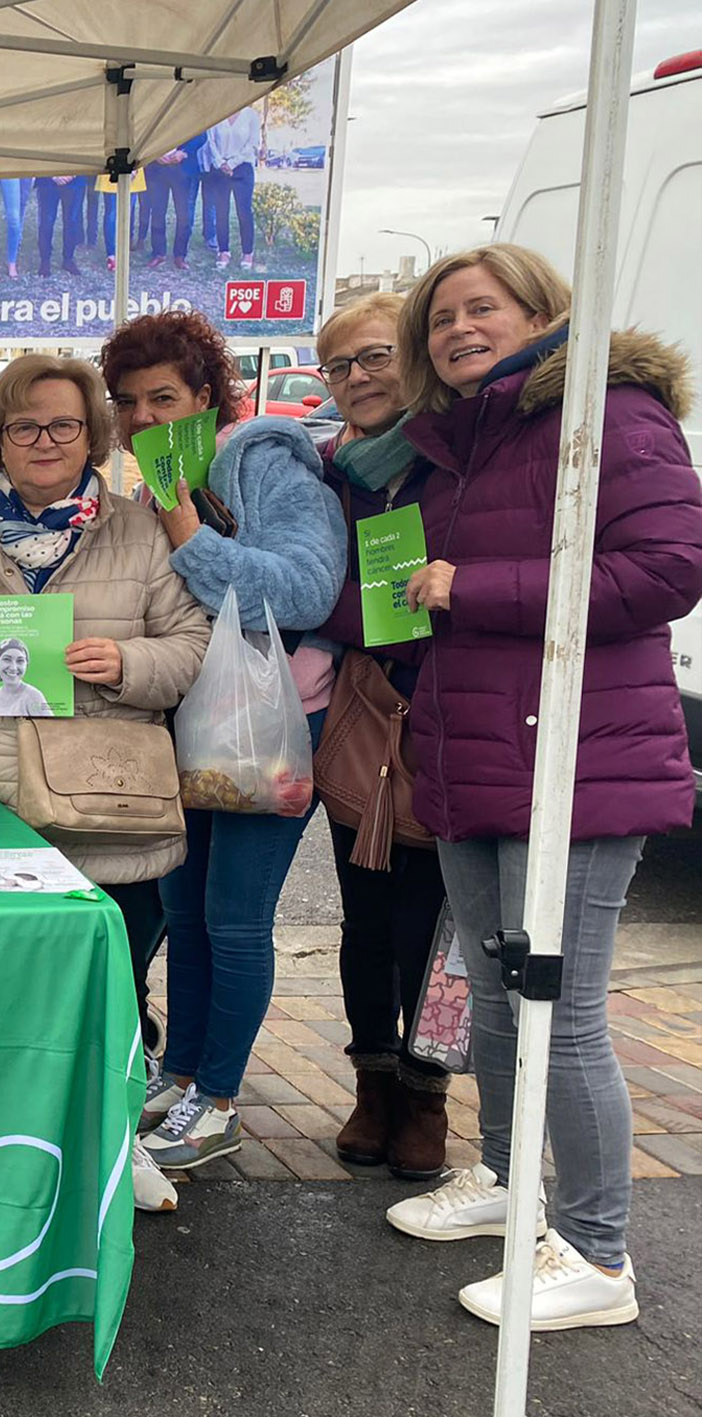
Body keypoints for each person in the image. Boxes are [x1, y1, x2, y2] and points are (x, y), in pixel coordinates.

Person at [381, 245, 702, 1330]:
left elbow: (665, 572)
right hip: (474, 754)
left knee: (559, 1013)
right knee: (488, 990)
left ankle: (600, 1254)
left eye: (482, 308)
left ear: (540, 311)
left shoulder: (607, 413)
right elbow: (409, 596)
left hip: (579, 757)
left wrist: (475, 587)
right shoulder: (450, 444)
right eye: (438, 319)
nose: (457, 329)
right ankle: (508, 1183)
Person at [0, 352, 210, 1214]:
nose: (44, 440)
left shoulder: (139, 533)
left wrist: (128, 660)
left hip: (106, 798)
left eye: (64, 424)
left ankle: (117, 1137)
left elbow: (192, 646)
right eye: (24, 425)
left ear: (92, 437)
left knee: (114, 980)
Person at [102, 310, 347, 1177]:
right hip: (182, 725)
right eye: (129, 401)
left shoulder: (268, 465)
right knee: (187, 911)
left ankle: (222, 1098)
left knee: (237, 918)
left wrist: (184, 533)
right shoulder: (144, 482)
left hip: (269, 728)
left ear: (208, 398)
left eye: (164, 397)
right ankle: (183, 1074)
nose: (145, 418)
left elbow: (309, 589)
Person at [300, 294, 454, 1179]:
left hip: (443, 722)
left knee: (434, 927)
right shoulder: (332, 471)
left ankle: (429, 1093)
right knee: (364, 916)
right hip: (362, 721)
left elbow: (341, 600)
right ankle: (373, 1082)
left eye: (373, 358)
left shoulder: (453, 464)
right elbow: (314, 583)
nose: (356, 379)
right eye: (339, 366)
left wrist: (344, 609)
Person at [202, 107, 261, 270]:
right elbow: (211, 143)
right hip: (220, 169)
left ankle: (247, 252)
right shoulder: (217, 113)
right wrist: (221, 163)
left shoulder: (251, 115)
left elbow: (252, 144)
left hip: (242, 168)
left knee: (244, 212)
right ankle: (223, 251)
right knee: (221, 212)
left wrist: (233, 163)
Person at [143, 133, 209, 270]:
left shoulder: (191, 112)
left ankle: (180, 255)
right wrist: (155, 154)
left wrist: (184, 153)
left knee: (184, 215)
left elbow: (202, 134)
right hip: (156, 168)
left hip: (183, 168)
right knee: (157, 213)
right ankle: (158, 253)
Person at [0, 637, 53, 716]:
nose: (13, 667)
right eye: (7, 659)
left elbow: (50, 726)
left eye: (20, 661)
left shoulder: (33, 696)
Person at [33, 175, 86, 277]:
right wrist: (53, 175)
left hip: (75, 180)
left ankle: (68, 259)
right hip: (47, 180)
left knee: (72, 221)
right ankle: (45, 261)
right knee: (47, 221)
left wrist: (72, 174)